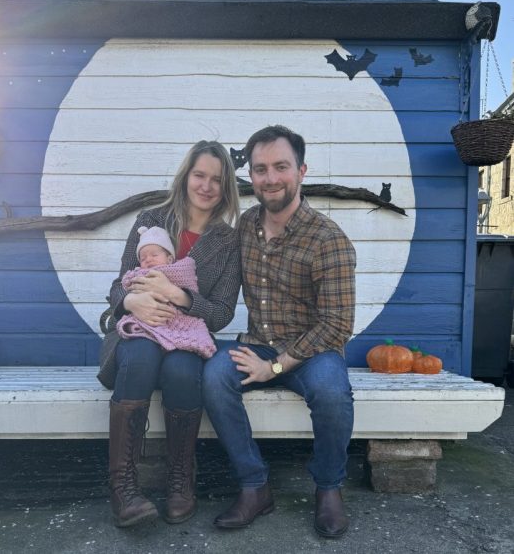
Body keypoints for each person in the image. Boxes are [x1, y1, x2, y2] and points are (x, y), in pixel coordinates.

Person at [203, 125, 356, 539]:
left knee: (332, 392)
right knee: (215, 376)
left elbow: (338, 324)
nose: (271, 178)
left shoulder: (329, 239)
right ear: (251, 176)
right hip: (257, 343)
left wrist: (275, 366)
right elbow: (210, 276)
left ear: (301, 171)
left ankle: (328, 489)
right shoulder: (246, 227)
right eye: (261, 169)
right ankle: (255, 487)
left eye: (281, 167)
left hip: (313, 351)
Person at [98, 140, 241, 528]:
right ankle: (123, 487)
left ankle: (180, 480)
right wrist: (131, 303)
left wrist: (179, 295)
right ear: (186, 177)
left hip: (184, 336)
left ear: (226, 187)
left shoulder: (228, 241)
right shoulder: (151, 219)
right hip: (138, 330)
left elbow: (223, 312)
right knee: (142, 356)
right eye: (200, 175)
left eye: (216, 179)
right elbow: (118, 286)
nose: (206, 186)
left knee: (181, 370)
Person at [116, 225, 216, 359]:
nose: (148, 259)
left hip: (177, 318)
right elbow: (125, 285)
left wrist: (172, 291)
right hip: (147, 318)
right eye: (143, 258)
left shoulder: (181, 270)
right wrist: (130, 298)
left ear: (169, 259)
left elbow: (190, 286)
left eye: (154, 255)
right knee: (140, 353)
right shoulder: (138, 274)